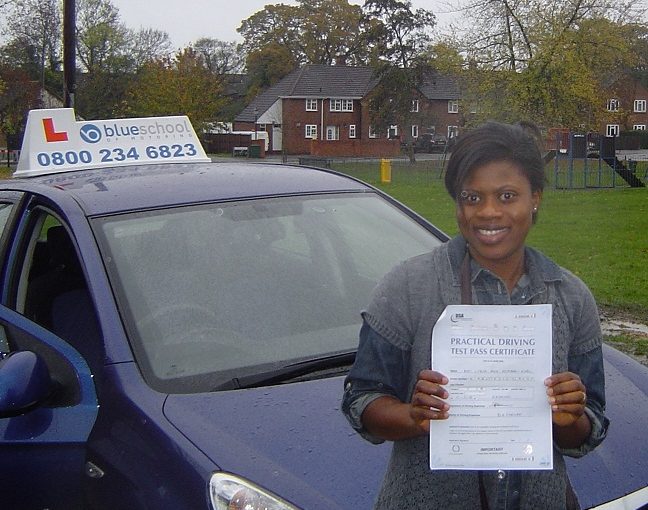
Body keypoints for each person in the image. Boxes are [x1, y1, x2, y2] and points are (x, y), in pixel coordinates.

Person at [342, 121, 608, 510]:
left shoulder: (570, 297)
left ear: (535, 198)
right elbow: (361, 399)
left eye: (506, 195)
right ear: (457, 203)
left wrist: (570, 417)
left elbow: (590, 426)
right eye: (472, 197)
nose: (488, 213)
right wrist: (412, 416)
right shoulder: (407, 286)